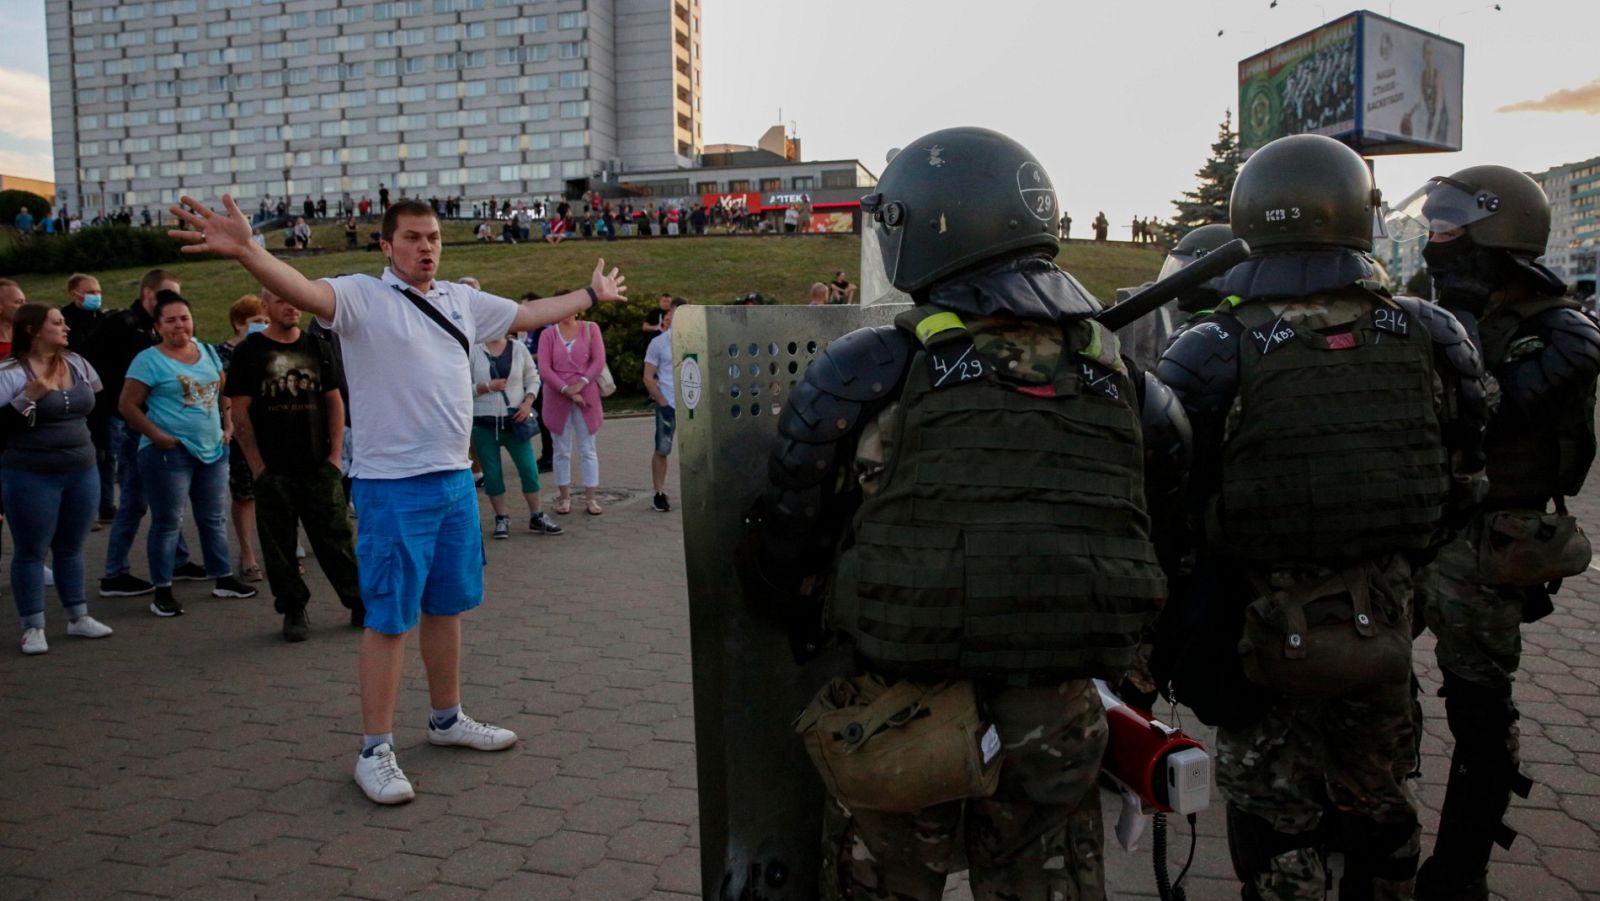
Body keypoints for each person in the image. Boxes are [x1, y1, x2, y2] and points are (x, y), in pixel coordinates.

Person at [757, 126, 1189, 899]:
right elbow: (1166, 511)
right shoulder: (1123, 378)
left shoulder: (872, 367)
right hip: (1057, 711)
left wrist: (801, 613)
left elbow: (788, 533)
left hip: (899, 709)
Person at [167, 194, 627, 805]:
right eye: (412, 237)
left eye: (433, 237)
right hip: (391, 487)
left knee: (447, 608)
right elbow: (304, 291)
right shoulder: (362, 297)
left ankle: (446, 719)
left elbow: (525, 314)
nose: (426, 247)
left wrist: (591, 297)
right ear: (387, 246)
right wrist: (251, 250)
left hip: (452, 480)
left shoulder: (461, 301)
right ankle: (374, 750)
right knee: (389, 619)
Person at [1156, 134, 1488, 900]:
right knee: (1379, 793)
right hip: (1386, 613)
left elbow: (1168, 496)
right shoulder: (1435, 334)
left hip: (1260, 622)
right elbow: (1468, 469)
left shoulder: (1213, 345)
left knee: (1276, 816)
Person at [1386, 166, 1600, 901]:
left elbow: (1489, 412)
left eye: (1450, 229)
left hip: (1487, 549)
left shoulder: (1562, 330)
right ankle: (1375, 824)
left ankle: (1461, 867)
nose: (1435, 242)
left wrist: (1463, 323)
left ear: (1494, 237)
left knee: (1479, 715)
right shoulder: (1424, 308)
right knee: (1370, 676)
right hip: (1415, 530)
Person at [228, 289, 363, 642]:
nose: (291, 306)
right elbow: (239, 410)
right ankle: (292, 608)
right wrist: (256, 464)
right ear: (266, 307)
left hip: (319, 465)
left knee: (335, 538)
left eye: (295, 300)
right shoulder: (249, 352)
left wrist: (335, 456)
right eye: (281, 300)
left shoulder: (318, 346)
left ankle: (358, 601)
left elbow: (334, 401)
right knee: (279, 545)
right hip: (274, 469)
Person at [119, 291, 259, 616]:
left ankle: (223, 577)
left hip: (212, 449)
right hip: (168, 454)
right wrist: (157, 435)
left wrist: (227, 425)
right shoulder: (148, 360)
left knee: (213, 517)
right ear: (158, 327)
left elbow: (225, 391)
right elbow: (127, 404)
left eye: (184, 318)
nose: (179, 325)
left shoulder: (207, 352)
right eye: (171, 320)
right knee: (169, 521)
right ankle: (163, 589)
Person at [82, 269, 207, 597]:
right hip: (134, 425)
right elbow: (93, 366)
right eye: (166, 296)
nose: (172, 305)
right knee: (135, 502)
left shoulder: (161, 329)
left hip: (164, 425)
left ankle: (177, 559)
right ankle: (114, 572)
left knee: (169, 501)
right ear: (148, 294)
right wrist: (111, 407)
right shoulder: (122, 325)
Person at [1, 304, 116, 654]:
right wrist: (28, 397)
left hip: (81, 470)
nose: (65, 327)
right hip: (30, 473)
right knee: (32, 550)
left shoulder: (78, 363)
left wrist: (99, 451)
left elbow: (98, 406)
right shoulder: (10, 372)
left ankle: (78, 616)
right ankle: (32, 625)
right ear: (35, 330)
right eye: (57, 322)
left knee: (71, 546)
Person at [470, 330, 563, 539]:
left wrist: (528, 402)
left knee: (529, 469)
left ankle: (537, 515)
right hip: (485, 423)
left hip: (515, 421)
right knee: (492, 474)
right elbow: (462, 387)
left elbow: (533, 377)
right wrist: (485, 387)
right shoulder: (474, 351)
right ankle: (501, 517)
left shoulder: (518, 348)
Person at [217, 295, 270, 583]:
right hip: (238, 433)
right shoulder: (221, 354)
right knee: (244, 494)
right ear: (239, 323)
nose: (262, 326)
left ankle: (280, 552)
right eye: (256, 322)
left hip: (270, 432)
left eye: (265, 321)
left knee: (272, 493)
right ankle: (247, 553)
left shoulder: (268, 350)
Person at [538, 310, 607, 516]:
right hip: (556, 397)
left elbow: (598, 361)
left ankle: (591, 498)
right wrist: (565, 390)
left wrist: (581, 384)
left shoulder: (590, 329)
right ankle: (564, 496)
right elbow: (544, 368)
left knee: (588, 448)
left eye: (570, 309)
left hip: (586, 396)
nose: (566, 313)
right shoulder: (548, 335)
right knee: (561, 449)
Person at [643, 300, 683, 513]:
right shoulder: (658, 343)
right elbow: (648, 376)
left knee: (696, 452)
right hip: (668, 402)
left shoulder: (698, 341)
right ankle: (658, 492)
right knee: (662, 448)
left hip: (692, 404)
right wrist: (661, 400)